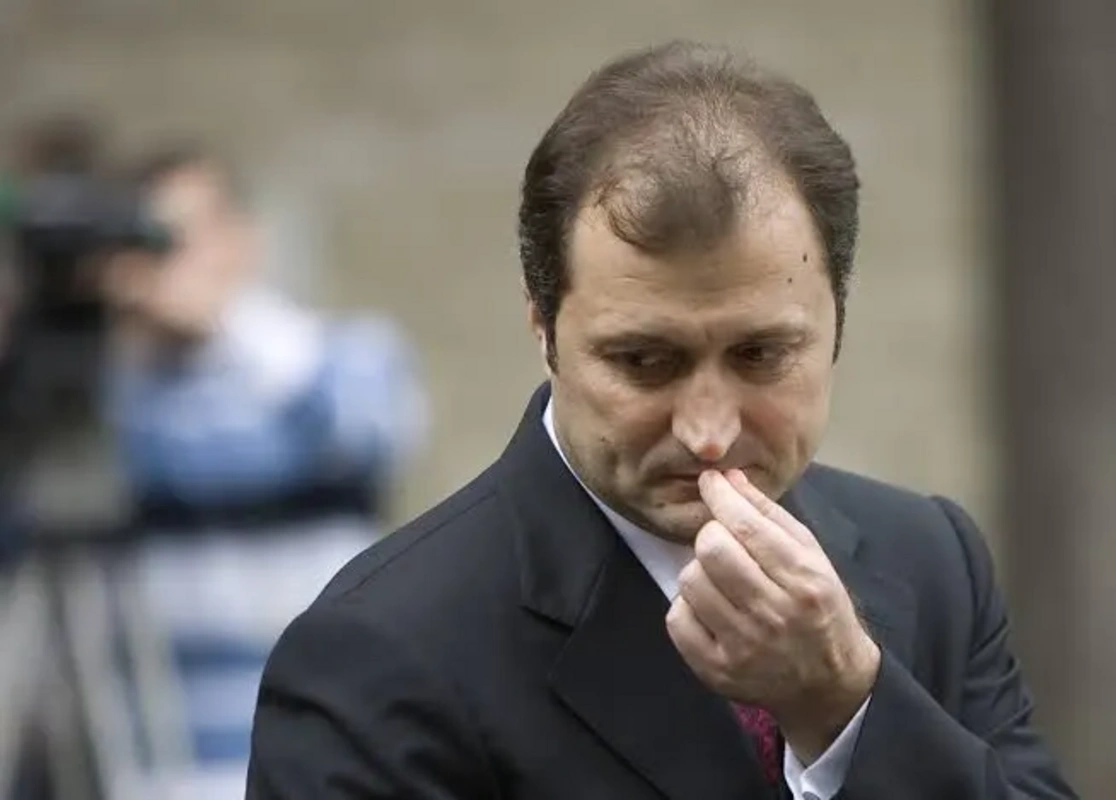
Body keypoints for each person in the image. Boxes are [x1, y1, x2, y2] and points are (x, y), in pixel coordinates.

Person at [246, 41, 1076, 799]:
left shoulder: (931, 561)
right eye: (645, 361)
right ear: (543, 328)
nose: (707, 432)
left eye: (760, 354)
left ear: (838, 326)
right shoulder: (378, 655)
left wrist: (846, 709)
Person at [99, 145, 427, 797]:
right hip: (150, 756)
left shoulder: (331, 354)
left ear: (243, 238)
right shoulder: (110, 390)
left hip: (315, 745)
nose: (171, 261)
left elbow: (372, 430)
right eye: (151, 240)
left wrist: (227, 323)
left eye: (185, 234)